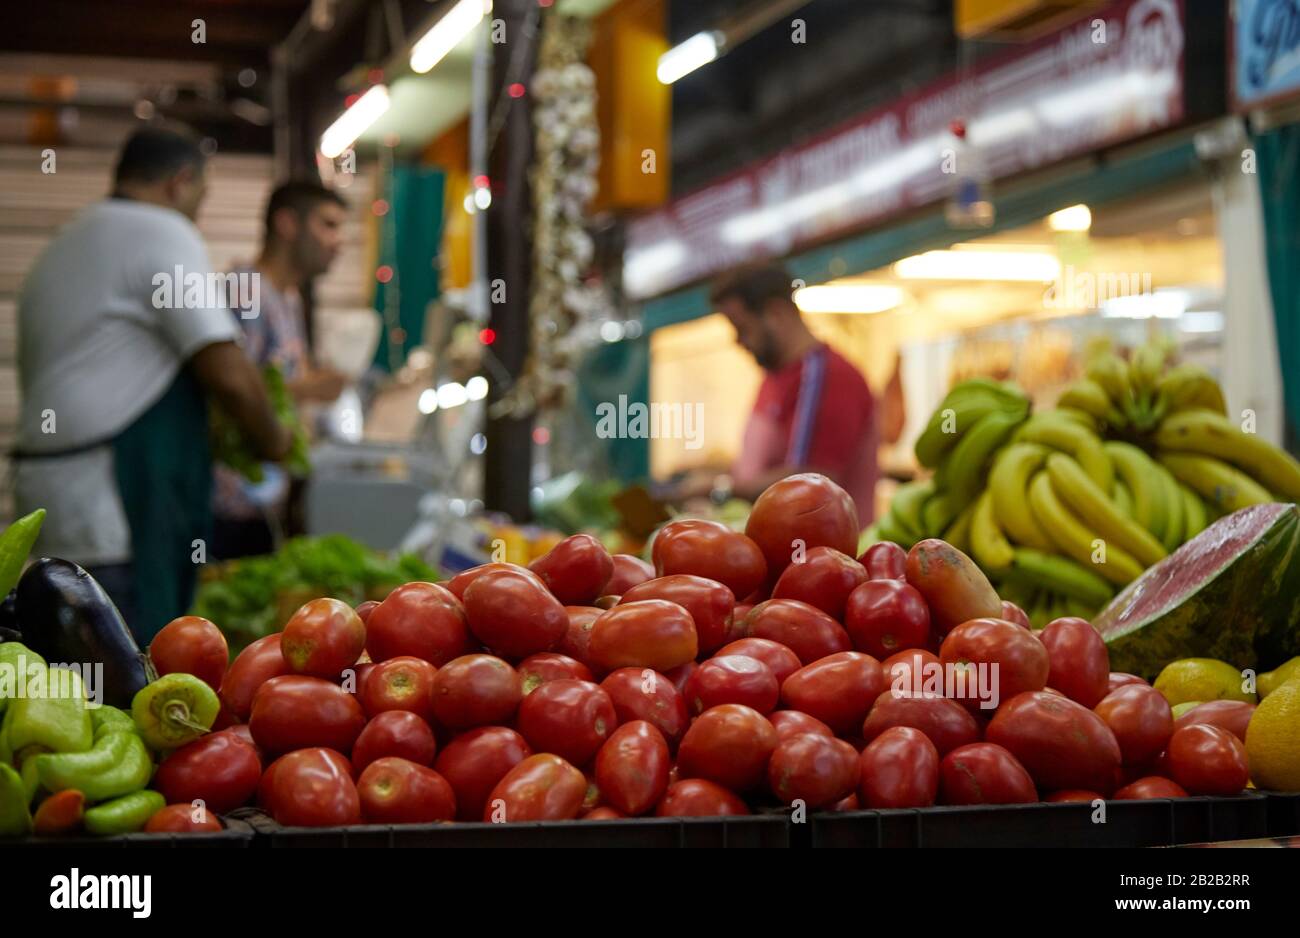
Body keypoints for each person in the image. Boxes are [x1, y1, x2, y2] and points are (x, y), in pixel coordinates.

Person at [13, 126, 292, 643]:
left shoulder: (67, 241)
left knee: (74, 694)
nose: (198, 216)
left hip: (57, 503)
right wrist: (276, 441)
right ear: (181, 182)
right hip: (114, 508)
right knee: (134, 687)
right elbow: (226, 369)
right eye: (201, 199)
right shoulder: (158, 230)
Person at [672, 265, 880, 523]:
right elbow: (760, 468)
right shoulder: (774, 378)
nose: (737, 340)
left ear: (775, 312)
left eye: (741, 327)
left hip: (822, 554)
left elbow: (810, 483)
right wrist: (714, 475)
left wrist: (720, 490)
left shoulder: (825, 377)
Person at [211, 180, 349, 560]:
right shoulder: (246, 288)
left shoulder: (286, 297)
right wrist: (310, 389)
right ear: (287, 223)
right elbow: (230, 390)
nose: (338, 241)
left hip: (264, 501)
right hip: (227, 506)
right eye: (328, 225)